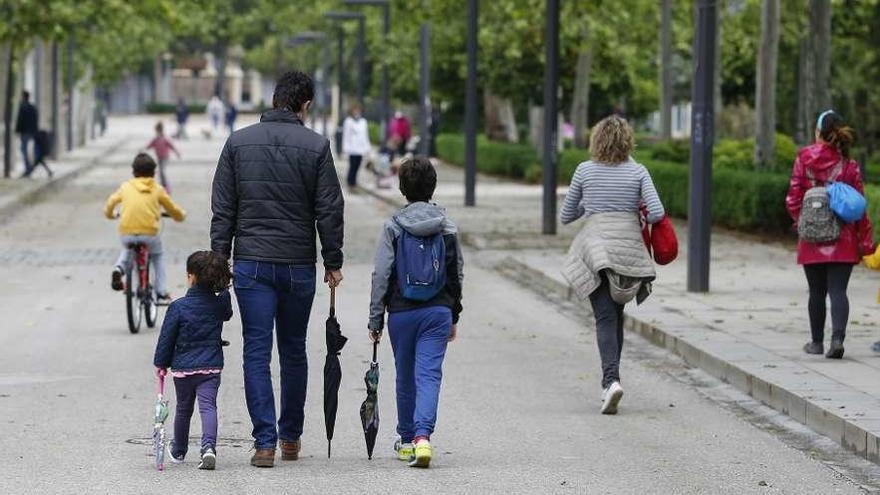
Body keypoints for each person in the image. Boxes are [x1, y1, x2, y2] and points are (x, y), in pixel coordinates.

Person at [211, 69, 344, 468]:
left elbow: (224, 210)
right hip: (297, 266)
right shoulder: (317, 146)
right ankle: (290, 438)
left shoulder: (237, 144)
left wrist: (220, 262)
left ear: (273, 101)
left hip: (251, 264)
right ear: (305, 105)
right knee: (293, 351)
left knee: (256, 351)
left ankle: (264, 443)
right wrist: (332, 260)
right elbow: (329, 209)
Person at [560, 115, 664, 415]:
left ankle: (610, 381)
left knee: (605, 316)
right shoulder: (638, 171)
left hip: (595, 248)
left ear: (597, 140)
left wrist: (590, 204)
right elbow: (656, 213)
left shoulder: (585, 171)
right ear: (628, 140)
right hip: (628, 250)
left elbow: (567, 215)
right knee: (616, 314)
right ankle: (611, 380)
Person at [368, 157, 463, 468]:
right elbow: (455, 273)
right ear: (432, 187)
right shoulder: (447, 226)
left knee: (405, 375)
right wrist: (454, 315)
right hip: (437, 311)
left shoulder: (393, 227)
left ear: (402, 188)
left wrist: (375, 318)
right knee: (429, 375)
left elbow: (381, 274)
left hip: (402, 312)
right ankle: (424, 437)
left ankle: (407, 440)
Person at [786, 110, 874, 359]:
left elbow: (793, 199)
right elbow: (860, 208)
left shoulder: (803, 159)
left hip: (811, 238)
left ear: (818, 133)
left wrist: (802, 223)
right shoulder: (849, 166)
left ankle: (816, 343)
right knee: (838, 291)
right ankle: (837, 339)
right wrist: (865, 242)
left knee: (816, 292)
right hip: (843, 239)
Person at [153, 250, 233, 471]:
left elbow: (166, 338)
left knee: (183, 409)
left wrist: (161, 363)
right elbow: (227, 312)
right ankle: (208, 448)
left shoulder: (178, 307)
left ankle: (179, 449)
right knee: (208, 407)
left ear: (191, 277)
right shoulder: (218, 305)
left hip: (184, 368)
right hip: (211, 366)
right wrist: (225, 290)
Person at [105, 153, 186, 302]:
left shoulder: (126, 187)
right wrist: (180, 216)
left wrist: (110, 215)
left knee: (128, 249)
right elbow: (172, 208)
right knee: (157, 255)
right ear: (154, 173)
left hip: (127, 231)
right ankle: (161, 291)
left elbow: (111, 202)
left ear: (133, 172)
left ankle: (119, 269)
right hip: (149, 233)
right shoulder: (157, 189)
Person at [342, 104, 371, 189]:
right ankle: (350, 182)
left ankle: (353, 181)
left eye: (358, 110)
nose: (357, 112)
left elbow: (365, 135)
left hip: (361, 149)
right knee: (352, 166)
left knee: (358, 166)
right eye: (355, 110)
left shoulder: (363, 121)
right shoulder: (348, 121)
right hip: (352, 148)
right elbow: (346, 135)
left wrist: (367, 148)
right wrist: (345, 148)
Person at [145, 122, 180, 192]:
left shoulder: (165, 139)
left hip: (165, 157)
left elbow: (171, 146)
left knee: (162, 171)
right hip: (159, 158)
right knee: (160, 172)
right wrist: (143, 149)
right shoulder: (155, 139)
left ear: (160, 130)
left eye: (158, 131)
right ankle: (163, 185)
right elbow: (149, 145)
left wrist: (177, 153)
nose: (157, 132)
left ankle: (166, 186)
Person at [15, 91, 38, 177]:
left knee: (23, 149)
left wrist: (17, 131)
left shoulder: (23, 107)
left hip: (25, 132)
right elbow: (35, 120)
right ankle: (30, 167)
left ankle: (28, 168)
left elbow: (20, 120)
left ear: (23, 97)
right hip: (31, 132)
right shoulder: (33, 107)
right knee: (29, 150)